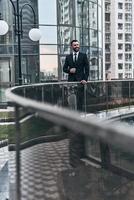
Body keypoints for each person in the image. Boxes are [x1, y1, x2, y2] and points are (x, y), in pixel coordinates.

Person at [63, 39, 89, 111]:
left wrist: (85, 79)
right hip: (71, 82)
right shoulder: (68, 57)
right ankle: (72, 114)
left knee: (80, 99)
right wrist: (69, 70)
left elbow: (87, 69)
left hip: (81, 81)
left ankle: (79, 115)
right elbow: (64, 69)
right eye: (75, 45)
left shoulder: (83, 56)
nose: (77, 46)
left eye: (77, 45)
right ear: (72, 46)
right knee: (71, 99)